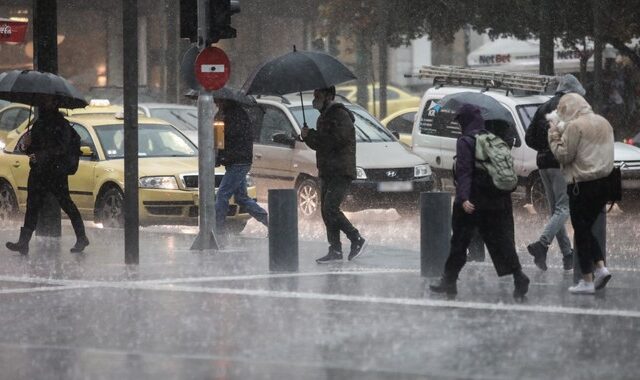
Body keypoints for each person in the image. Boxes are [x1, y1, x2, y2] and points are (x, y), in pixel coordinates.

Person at [430, 104, 529, 299]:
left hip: (473, 201)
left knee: (459, 241)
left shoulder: (466, 141)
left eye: (459, 121)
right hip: (496, 199)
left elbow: (465, 172)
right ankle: (519, 276)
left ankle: (448, 281)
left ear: (465, 121)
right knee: (501, 240)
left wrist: (464, 198)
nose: (458, 125)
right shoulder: (492, 139)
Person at [548, 93, 614, 295]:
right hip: (605, 183)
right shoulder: (604, 122)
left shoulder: (575, 126)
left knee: (581, 230)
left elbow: (564, 155)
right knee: (585, 228)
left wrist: (553, 135)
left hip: (582, 185)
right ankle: (601, 268)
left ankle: (587, 279)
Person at [5, 99, 89, 255]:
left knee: (66, 204)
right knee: (32, 206)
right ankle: (24, 242)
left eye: (47, 102)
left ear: (55, 105)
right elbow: (33, 150)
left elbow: (61, 149)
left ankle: (82, 237)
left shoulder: (61, 125)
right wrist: (27, 145)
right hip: (38, 172)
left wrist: (41, 155)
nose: (43, 105)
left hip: (56, 173)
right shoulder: (38, 123)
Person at [524, 74, 586, 271]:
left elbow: (529, 137)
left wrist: (544, 148)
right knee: (563, 208)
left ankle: (568, 255)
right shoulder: (569, 105)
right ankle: (542, 245)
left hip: (542, 163)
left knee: (555, 210)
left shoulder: (544, 106)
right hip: (560, 162)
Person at [300, 86, 366, 263]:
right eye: (314, 95)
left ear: (329, 96)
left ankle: (356, 238)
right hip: (327, 170)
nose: (315, 99)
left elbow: (334, 141)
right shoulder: (324, 116)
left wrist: (313, 135)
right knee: (325, 210)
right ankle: (335, 249)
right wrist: (307, 136)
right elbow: (321, 144)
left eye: (318, 95)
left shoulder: (339, 115)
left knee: (331, 208)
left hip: (341, 170)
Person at [214, 98, 268, 237]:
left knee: (222, 194)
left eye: (218, 101)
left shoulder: (235, 116)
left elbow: (226, 139)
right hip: (236, 161)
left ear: (227, 101)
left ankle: (217, 229)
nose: (217, 104)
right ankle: (270, 222)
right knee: (241, 197)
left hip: (239, 161)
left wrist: (220, 123)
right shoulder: (230, 114)